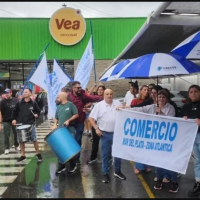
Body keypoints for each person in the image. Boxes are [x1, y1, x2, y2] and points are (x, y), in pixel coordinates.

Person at [118, 90, 178, 193]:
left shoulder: (170, 108)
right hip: (155, 138)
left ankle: (174, 181)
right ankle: (159, 179)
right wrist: (123, 108)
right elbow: (139, 109)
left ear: (167, 98)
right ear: (156, 98)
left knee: (169, 161)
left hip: (167, 140)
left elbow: (171, 122)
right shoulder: (152, 107)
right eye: (159, 97)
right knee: (158, 160)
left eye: (163, 97)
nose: (161, 99)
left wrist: (161, 113)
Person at [89, 89, 126, 183]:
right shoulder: (99, 105)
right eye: (107, 94)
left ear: (113, 95)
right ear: (104, 95)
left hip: (117, 133)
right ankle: (105, 173)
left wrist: (124, 108)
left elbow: (124, 114)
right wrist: (96, 129)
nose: (109, 96)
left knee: (118, 153)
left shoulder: (117, 103)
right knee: (105, 154)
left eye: (111, 94)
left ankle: (117, 171)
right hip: (104, 133)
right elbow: (91, 118)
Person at [68, 81, 103, 165]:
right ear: (73, 88)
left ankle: (76, 159)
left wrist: (106, 97)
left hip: (79, 122)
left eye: (80, 87)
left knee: (78, 140)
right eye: (78, 88)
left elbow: (94, 98)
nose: (80, 89)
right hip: (70, 122)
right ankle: (69, 157)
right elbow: (60, 103)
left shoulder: (83, 96)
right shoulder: (68, 96)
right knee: (69, 140)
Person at [12, 88, 42, 163]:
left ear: (30, 94)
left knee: (34, 139)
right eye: (24, 92)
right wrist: (14, 119)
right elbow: (14, 112)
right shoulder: (19, 103)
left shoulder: (33, 103)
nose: (24, 93)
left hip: (31, 124)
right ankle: (23, 155)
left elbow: (38, 111)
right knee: (21, 141)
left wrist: (36, 115)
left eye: (26, 92)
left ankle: (38, 154)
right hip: (21, 124)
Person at [53, 92, 79, 174]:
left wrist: (68, 120)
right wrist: (54, 124)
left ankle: (73, 165)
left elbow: (76, 115)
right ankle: (61, 166)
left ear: (62, 97)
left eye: (58, 97)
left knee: (70, 148)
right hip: (61, 130)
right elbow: (56, 117)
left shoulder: (70, 105)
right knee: (61, 148)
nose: (57, 99)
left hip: (70, 129)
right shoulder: (58, 107)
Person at [182, 85, 200, 197]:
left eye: (196, 91)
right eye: (191, 92)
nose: (193, 94)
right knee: (197, 161)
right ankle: (198, 182)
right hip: (192, 137)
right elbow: (182, 119)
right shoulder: (186, 106)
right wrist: (184, 120)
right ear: (188, 94)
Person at [86, 85, 106, 164]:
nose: (100, 91)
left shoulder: (106, 100)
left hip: (104, 123)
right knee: (95, 141)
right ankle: (93, 157)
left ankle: (108, 157)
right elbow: (93, 110)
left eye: (101, 90)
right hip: (95, 123)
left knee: (105, 142)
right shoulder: (95, 101)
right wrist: (88, 110)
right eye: (98, 90)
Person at [0, 88, 20, 154]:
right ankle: (6, 148)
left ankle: (17, 145)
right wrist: (0, 123)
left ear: (11, 93)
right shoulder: (2, 102)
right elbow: (0, 112)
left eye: (8, 93)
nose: (6, 94)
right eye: (5, 93)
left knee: (16, 134)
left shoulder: (16, 100)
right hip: (6, 121)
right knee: (6, 135)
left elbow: (19, 110)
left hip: (15, 120)